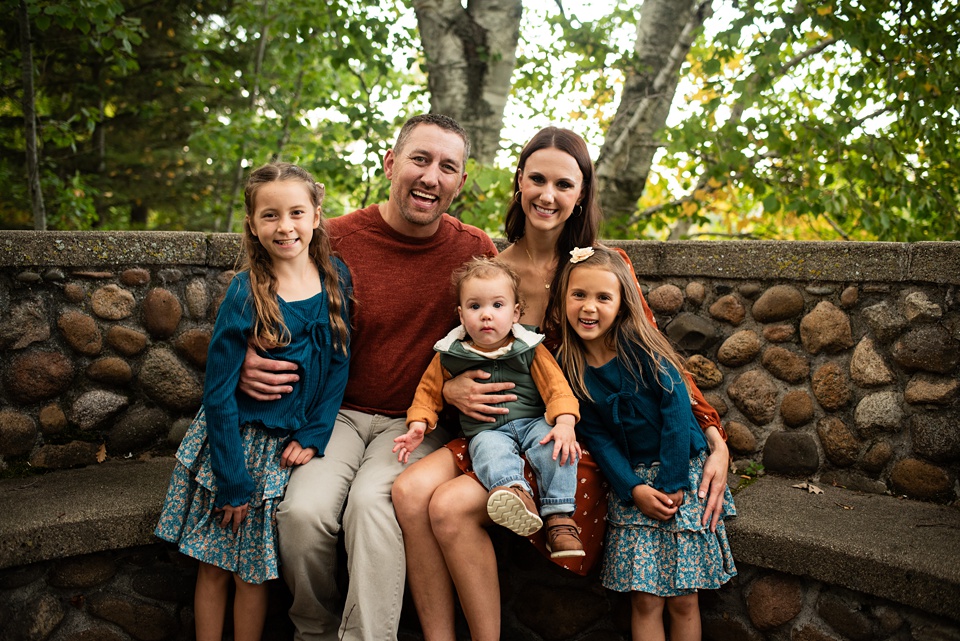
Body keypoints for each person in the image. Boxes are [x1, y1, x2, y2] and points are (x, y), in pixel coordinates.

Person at [391, 126, 731, 641]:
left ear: (582, 195)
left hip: (573, 436)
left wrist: (713, 437)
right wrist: (452, 391)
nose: (548, 195)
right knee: (409, 490)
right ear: (518, 184)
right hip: (499, 427)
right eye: (537, 180)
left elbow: (657, 359)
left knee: (447, 506)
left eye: (564, 184)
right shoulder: (491, 274)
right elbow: (452, 352)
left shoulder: (601, 270)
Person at [236, 114, 497, 641]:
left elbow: (497, 340)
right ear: (390, 163)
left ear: (460, 183)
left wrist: (455, 388)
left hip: (417, 423)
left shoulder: (474, 251)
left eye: (447, 167)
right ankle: (314, 628)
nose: (431, 176)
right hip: (332, 415)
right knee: (302, 514)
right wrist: (241, 353)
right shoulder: (334, 239)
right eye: (420, 159)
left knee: (373, 508)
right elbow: (262, 292)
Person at [155, 162, 352, 641]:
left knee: (253, 570)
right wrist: (233, 478)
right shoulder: (247, 292)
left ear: (317, 216)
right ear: (252, 224)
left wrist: (314, 433)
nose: (284, 226)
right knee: (215, 565)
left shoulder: (335, 278)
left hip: (280, 451)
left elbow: (339, 364)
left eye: (296, 213)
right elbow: (219, 392)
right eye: (270, 215)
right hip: (234, 449)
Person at [556, 245, 737, 641]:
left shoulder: (642, 347)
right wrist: (633, 488)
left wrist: (672, 483)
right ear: (563, 299)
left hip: (683, 475)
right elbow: (597, 438)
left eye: (603, 297)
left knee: (684, 598)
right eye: (579, 295)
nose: (589, 307)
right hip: (634, 484)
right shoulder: (569, 366)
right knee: (645, 599)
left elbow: (676, 412)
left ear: (622, 304)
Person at [394, 257, 584, 558]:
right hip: (488, 429)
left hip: (533, 421)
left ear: (516, 313)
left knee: (556, 446)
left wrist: (564, 423)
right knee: (487, 449)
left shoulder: (528, 347)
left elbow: (556, 388)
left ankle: (560, 518)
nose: (486, 316)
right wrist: (418, 425)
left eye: (497, 306)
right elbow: (427, 394)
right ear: (460, 314)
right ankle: (513, 493)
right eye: (475, 307)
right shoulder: (450, 354)